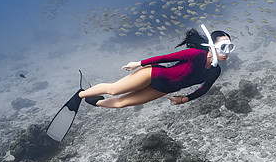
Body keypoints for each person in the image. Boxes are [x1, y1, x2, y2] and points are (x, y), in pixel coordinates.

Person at [79, 27, 234, 109]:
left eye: (230, 47)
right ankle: (80, 95)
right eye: (223, 47)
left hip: (162, 89)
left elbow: (204, 88)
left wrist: (185, 99)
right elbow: (165, 58)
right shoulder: (195, 54)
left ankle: (95, 102)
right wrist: (139, 63)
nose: (227, 52)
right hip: (152, 74)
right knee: (114, 90)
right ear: (211, 46)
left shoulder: (215, 71)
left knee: (121, 103)